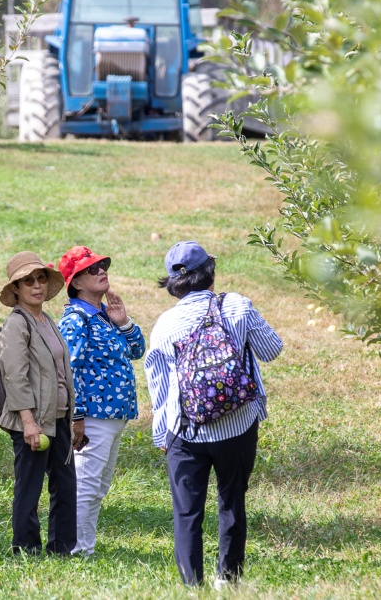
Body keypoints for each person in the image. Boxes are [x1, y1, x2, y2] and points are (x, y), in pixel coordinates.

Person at [144, 241, 283, 587]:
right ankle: (228, 579)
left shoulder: (164, 324)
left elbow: (158, 383)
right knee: (232, 501)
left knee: (186, 512)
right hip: (237, 425)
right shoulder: (236, 305)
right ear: (210, 271)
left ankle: (192, 587)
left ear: (173, 283)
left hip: (185, 431)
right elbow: (272, 350)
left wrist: (162, 433)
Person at [56, 245, 145, 557]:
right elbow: (68, 371)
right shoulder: (76, 319)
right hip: (92, 417)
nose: (102, 270)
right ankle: (77, 549)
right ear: (77, 282)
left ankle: (85, 547)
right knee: (86, 484)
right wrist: (77, 417)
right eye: (92, 269)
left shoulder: (104, 317)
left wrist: (123, 321)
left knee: (97, 486)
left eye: (103, 265)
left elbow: (137, 350)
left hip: (112, 418)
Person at [0, 251, 81, 556]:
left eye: (41, 278)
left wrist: (73, 417)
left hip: (58, 417)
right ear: (16, 289)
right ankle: (26, 549)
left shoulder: (47, 321)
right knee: (29, 487)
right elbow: (15, 377)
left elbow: (60, 372)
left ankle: (62, 548)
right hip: (32, 421)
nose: (36, 286)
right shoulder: (16, 324)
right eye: (28, 281)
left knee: (66, 486)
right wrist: (28, 422)